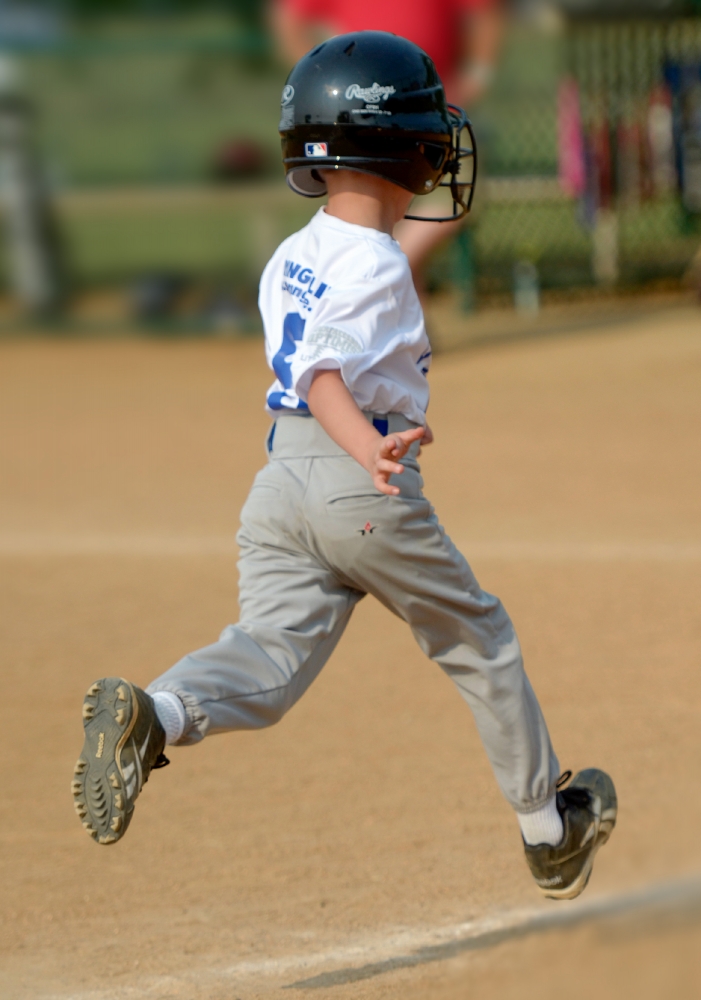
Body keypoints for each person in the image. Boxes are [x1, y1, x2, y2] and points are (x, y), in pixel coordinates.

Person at [71, 32, 616, 901]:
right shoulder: (377, 262)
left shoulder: (292, 252)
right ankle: (549, 829)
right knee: (479, 639)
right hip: (358, 481)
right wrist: (368, 448)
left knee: (266, 656)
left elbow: (300, 363)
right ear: (400, 146)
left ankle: (158, 712)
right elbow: (324, 372)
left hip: (278, 482)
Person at [270, 0, 506, 294]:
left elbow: (484, 13)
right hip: (361, 119)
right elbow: (290, 18)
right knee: (387, 218)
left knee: (400, 216)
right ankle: (379, 282)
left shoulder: (284, 260)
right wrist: (323, 81)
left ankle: (403, 317)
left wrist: (476, 76)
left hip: (429, 112)